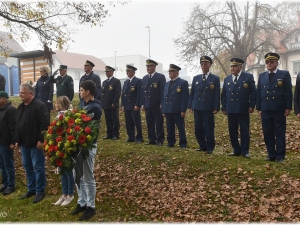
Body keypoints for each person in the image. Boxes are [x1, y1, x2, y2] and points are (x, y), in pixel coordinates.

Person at [70, 80, 102, 221]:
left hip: (88, 145)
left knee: (88, 176)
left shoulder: (95, 107)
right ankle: (82, 202)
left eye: (82, 90)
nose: (80, 92)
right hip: (77, 144)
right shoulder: (81, 104)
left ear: (88, 92)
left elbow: (88, 126)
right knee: (77, 175)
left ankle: (91, 206)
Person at [15, 83, 49, 203]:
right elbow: (17, 125)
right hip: (24, 144)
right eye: (20, 92)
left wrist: (41, 139)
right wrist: (17, 140)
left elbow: (44, 124)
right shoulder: (20, 107)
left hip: (35, 144)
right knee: (27, 167)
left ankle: (40, 191)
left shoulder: (40, 106)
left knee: (38, 167)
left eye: (23, 93)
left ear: (31, 93)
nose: (20, 95)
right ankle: (31, 188)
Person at [256, 52, 293, 163]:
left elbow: (288, 92)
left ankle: (280, 155)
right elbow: (259, 93)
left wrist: (288, 107)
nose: (269, 64)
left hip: (279, 109)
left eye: (271, 62)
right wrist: (259, 108)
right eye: (267, 62)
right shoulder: (262, 76)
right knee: (268, 132)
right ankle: (271, 154)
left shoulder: (284, 74)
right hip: (266, 109)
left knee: (280, 132)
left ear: (277, 63)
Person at [221, 58, 256, 158]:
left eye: (235, 66)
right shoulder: (227, 79)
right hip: (231, 109)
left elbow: (253, 92)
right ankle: (236, 149)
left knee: (244, 130)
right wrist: (224, 107)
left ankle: (245, 151)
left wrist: (251, 105)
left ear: (240, 67)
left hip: (243, 108)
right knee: (232, 130)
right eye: (231, 66)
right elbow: (223, 94)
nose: (232, 68)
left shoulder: (248, 77)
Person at [187, 56, 220, 154]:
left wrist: (216, 107)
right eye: (202, 64)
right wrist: (190, 105)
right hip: (197, 106)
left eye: (205, 64)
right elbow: (192, 92)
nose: (203, 66)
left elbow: (217, 94)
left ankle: (210, 146)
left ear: (209, 65)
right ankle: (202, 145)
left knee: (209, 128)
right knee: (198, 128)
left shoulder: (215, 78)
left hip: (208, 107)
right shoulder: (196, 78)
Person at [53, 96, 75, 206]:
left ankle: (70, 194)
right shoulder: (58, 115)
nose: (55, 105)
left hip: (67, 145)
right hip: (59, 145)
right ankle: (64, 193)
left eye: (57, 103)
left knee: (68, 171)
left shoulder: (68, 114)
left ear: (62, 104)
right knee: (62, 170)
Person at [161, 64, 189, 149]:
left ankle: (183, 143)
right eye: (169, 72)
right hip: (168, 109)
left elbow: (185, 97)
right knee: (169, 127)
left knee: (180, 127)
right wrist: (163, 110)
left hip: (177, 109)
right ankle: (171, 142)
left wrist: (183, 110)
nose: (170, 73)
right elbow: (164, 97)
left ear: (176, 72)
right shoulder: (167, 84)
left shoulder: (183, 82)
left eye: (171, 72)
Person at [141, 59, 166, 146]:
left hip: (156, 104)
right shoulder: (144, 78)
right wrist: (143, 103)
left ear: (154, 67)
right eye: (147, 66)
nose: (148, 68)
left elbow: (163, 91)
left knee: (158, 122)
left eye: (150, 66)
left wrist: (162, 103)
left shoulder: (160, 77)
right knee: (149, 122)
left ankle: (160, 139)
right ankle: (152, 138)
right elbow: (143, 92)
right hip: (147, 104)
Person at [121, 65, 143, 143]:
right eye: (127, 71)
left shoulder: (138, 81)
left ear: (132, 72)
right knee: (128, 122)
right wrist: (122, 105)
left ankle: (139, 137)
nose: (127, 73)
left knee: (136, 122)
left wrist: (137, 104)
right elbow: (123, 94)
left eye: (128, 71)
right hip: (127, 105)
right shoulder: (126, 81)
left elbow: (139, 94)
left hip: (134, 105)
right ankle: (131, 136)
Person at [0, 91, 16, 195]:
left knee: (8, 163)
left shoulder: (10, 109)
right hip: (0, 141)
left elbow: (13, 127)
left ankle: (11, 184)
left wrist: (13, 142)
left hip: (7, 142)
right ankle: (5, 183)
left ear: (4, 99)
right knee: (2, 164)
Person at [101, 66, 121, 140]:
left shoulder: (116, 81)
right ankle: (109, 133)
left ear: (112, 72)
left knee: (114, 119)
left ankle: (116, 134)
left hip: (113, 104)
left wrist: (114, 102)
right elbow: (103, 93)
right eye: (106, 72)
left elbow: (117, 93)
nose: (107, 73)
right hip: (106, 104)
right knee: (108, 119)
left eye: (108, 72)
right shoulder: (104, 82)